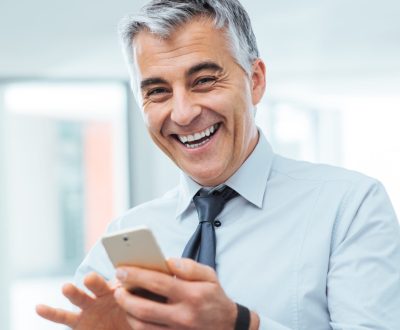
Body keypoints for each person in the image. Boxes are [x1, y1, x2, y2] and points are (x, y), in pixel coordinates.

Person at [36, 0, 400, 329]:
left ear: (255, 81)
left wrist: (241, 324)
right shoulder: (126, 233)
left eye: (205, 81)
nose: (183, 112)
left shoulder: (350, 206)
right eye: (158, 91)